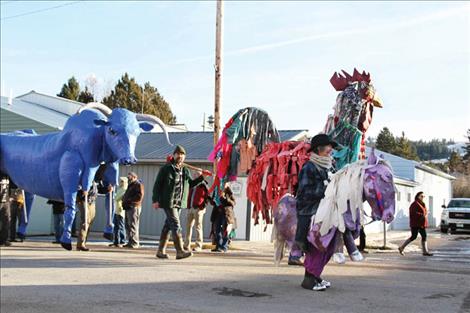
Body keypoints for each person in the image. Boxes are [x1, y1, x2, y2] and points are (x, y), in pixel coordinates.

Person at [296, 134, 337, 291]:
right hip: (310, 208)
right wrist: (328, 188)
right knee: (315, 244)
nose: (331, 150)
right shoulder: (309, 167)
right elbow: (305, 191)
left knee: (326, 246)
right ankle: (308, 279)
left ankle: (315, 275)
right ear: (319, 149)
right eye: (328, 147)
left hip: (326, 208)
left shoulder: (331, 166)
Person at [152, 145, 204, 260]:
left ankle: (160, 251)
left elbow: (190, 184)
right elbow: (157, 185)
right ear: (174, 155)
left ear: (184, 157)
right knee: (176, 225)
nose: (180, 156)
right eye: (178, 154)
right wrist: (155, 200)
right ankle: (180, 251)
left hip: (179, 203)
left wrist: (201, 177)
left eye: (182, 154)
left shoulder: (185, 170)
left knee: (168, 226)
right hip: (168, 201)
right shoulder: (166, 168)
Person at [398, 191, 433, 256]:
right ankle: (402, 247)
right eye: (421, 196)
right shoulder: (414, 204)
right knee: (414, 236)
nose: (423, 197)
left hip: (421, 223)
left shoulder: (422, 204)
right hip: (415, 224)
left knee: (424, 236)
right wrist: (422, 215)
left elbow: (424, 212)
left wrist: (425, 213)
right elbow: (413, 213)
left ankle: (425, 251)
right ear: (418, 196)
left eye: (423, 196)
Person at [184, 180, 212, 252]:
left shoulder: (204, 185)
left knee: (198, 227)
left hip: (199, 209)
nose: (195, 176)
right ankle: (186, 245)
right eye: (195, 174)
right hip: (191, 208)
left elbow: (208, 196)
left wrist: (202, 206)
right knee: (188, 227)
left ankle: (198, 246)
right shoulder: (192, 185)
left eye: (198, 174)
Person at [211, 184, 236, 253]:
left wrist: (226, 198)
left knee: (225, 230)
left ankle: (224, 246)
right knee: (217, 230)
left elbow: (233, 203)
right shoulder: (216, 191)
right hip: (217, 213)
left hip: (226, 214)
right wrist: (211, 200)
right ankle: (218, 246)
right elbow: (213, 202)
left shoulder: (228, 192)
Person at [122, 172, 144, 249]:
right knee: (128, 225)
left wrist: (129, 201)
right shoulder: (130, 185)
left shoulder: (138, 185)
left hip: (134, 207)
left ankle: (135, 242)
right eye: (128, 178)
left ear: (135, 177)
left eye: (130, 177)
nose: (128, 179)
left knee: (133, 225)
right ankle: (130, 241)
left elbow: (139, 196)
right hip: (128, 207)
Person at [76, 182, 98, 251]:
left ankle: (83, 242)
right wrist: (82, 191)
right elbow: (77, 187)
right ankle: (80, 244)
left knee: (90, 221)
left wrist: (108, 188)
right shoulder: (84, 175)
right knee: (85, 220)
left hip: (92, 200)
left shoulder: (96, 179)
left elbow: (101, 188)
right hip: (83, 200)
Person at [110, 177, 127, 247]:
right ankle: (116, 241)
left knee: (121, 226)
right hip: (116, 210)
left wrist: (114, 196)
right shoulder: (120, 189)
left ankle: (122, 241)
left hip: (121, 211)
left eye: (122, 181)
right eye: (120, 181)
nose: (121, 182)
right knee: (116, 227)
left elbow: (117, 198)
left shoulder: (124, 189)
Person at [0, 172, 12, 247]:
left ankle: (3, 240)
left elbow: (10, 186)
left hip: (5, 201)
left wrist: (10, 196)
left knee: (6, 220)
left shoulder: (8, 175)